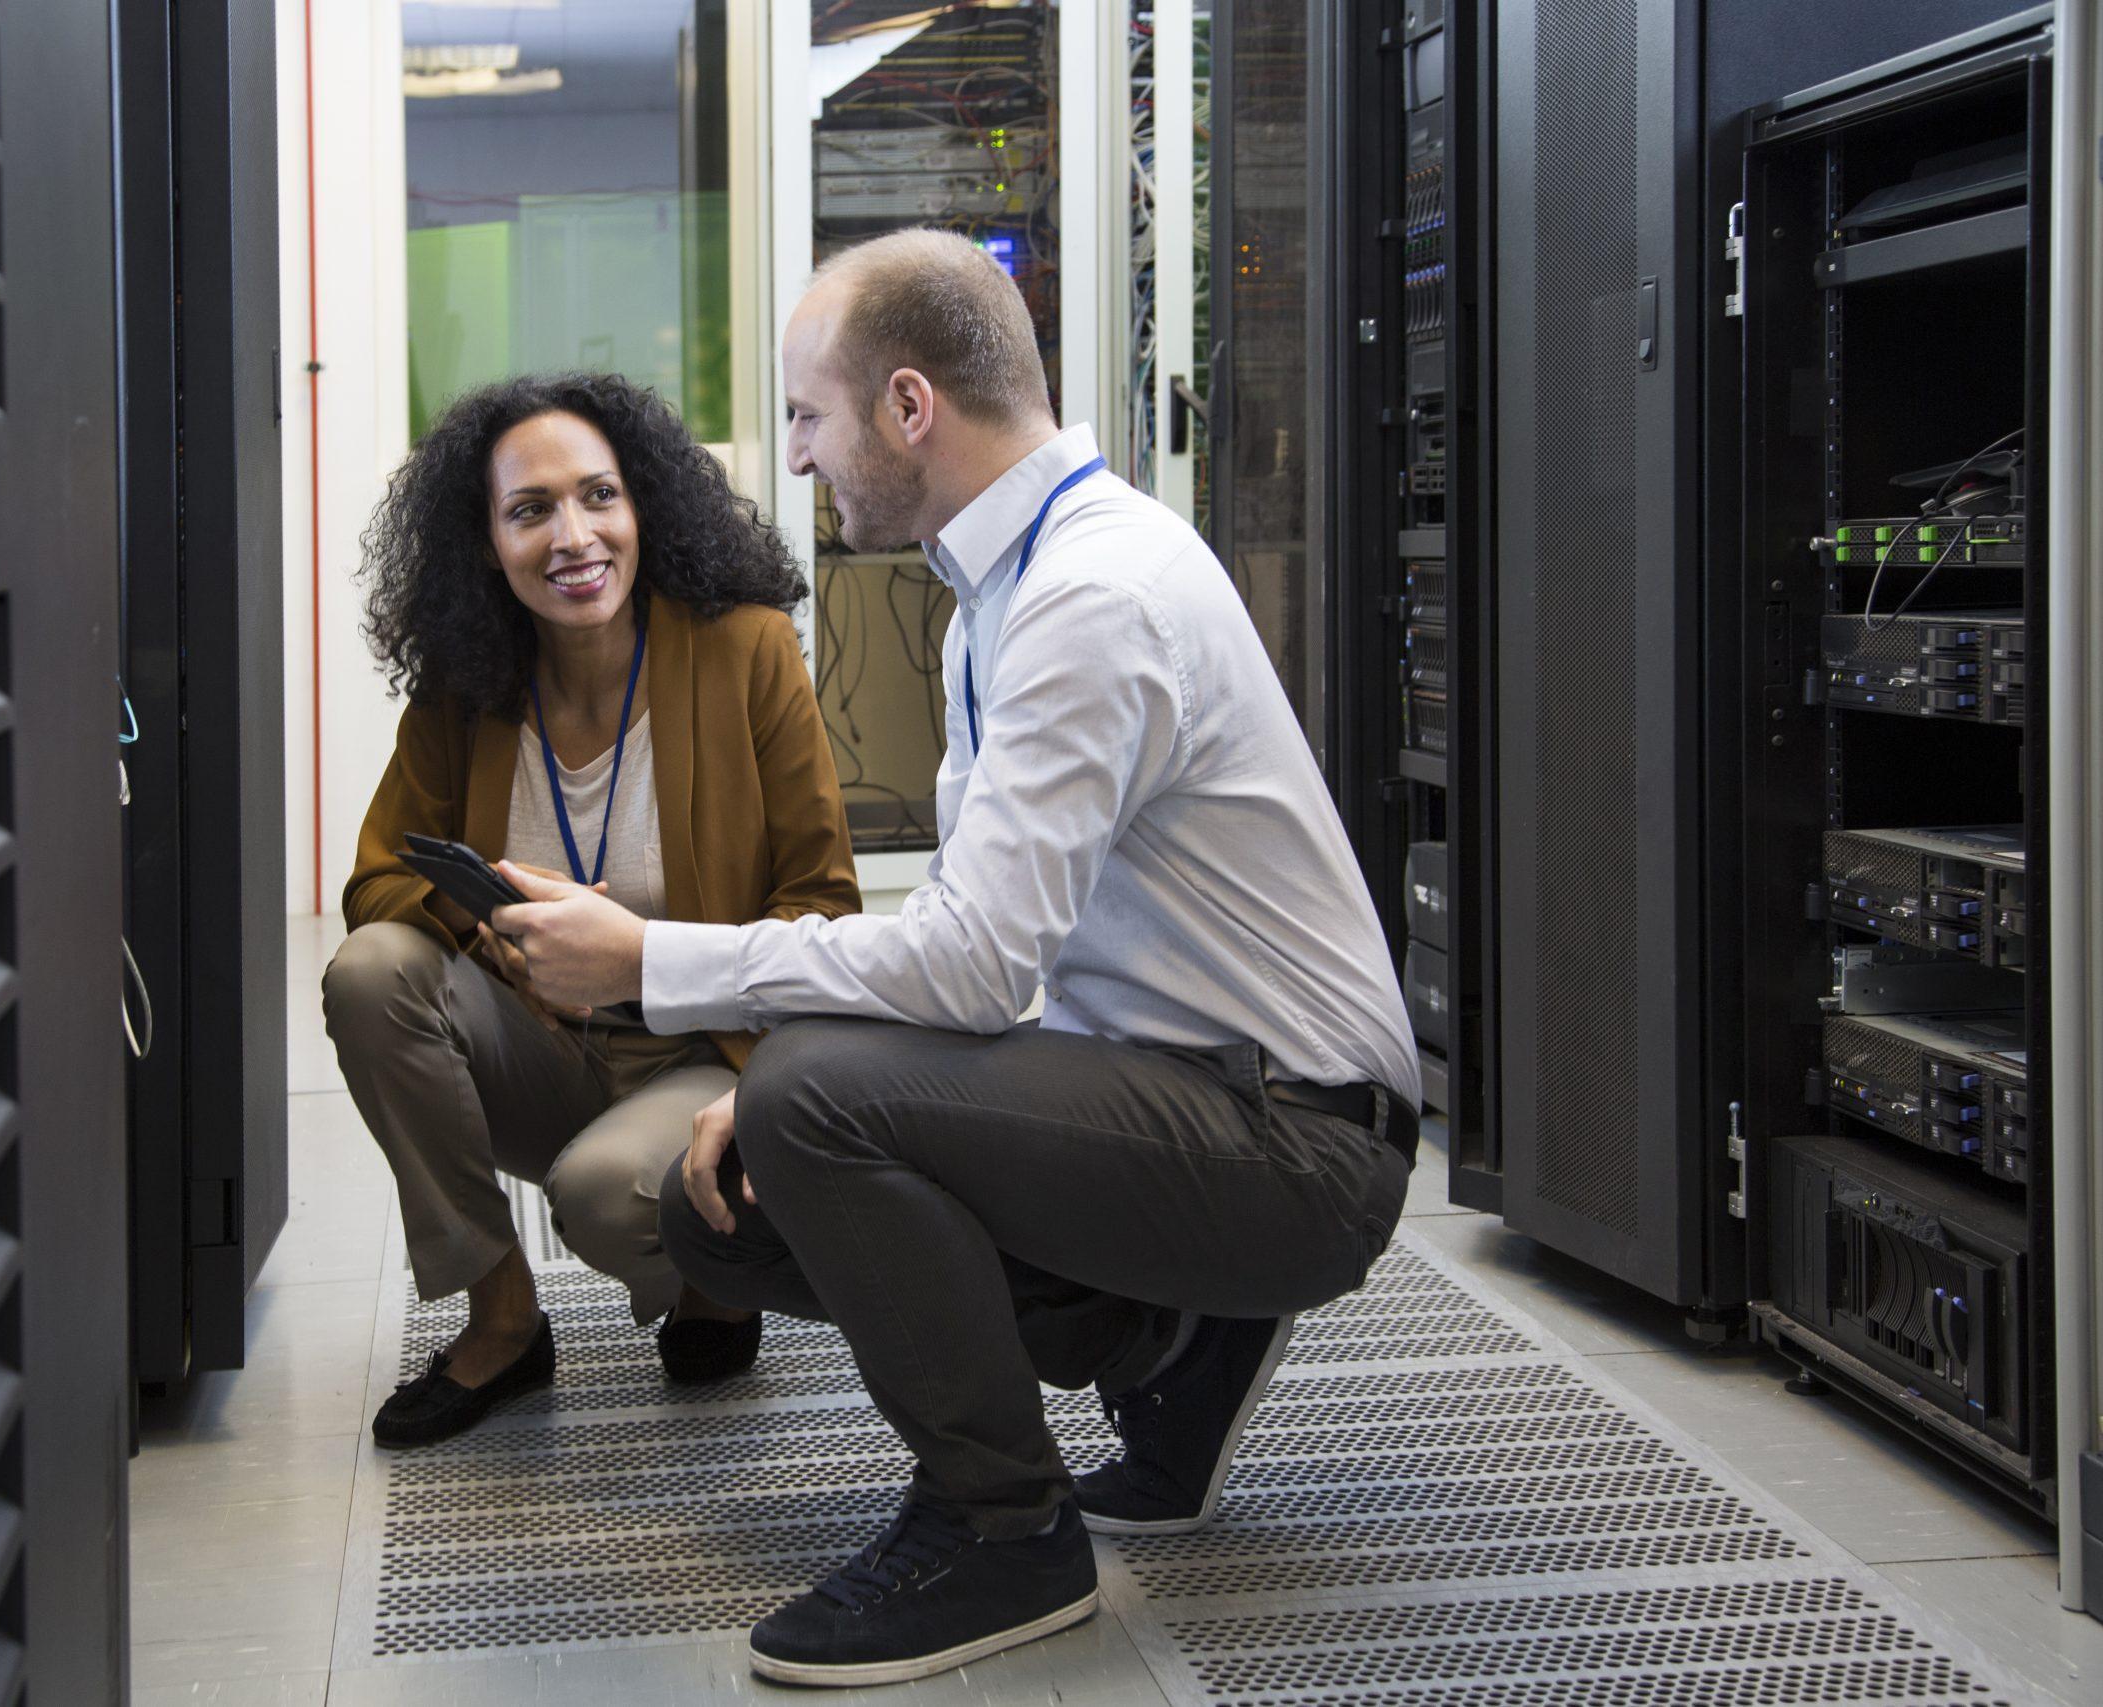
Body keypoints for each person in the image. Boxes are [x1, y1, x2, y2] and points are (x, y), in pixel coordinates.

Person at [494, 230, 1420, 1687]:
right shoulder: (1010, 584)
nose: (798, 455)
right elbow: (1017, 944)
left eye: (809, 414)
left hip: (1296, 1140)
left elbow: (979, 965)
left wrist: (653, 963)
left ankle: (1002, 1525)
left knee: (809, 1099)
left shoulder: (1086, 599)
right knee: (734, 1206)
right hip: (1188, 1089)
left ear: (909, 406)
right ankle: (1175, 1347)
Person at [323, 372, 861, 1450]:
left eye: (597, 496)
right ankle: (503, 1312)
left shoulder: (746, 649)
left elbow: (820, 902)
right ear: (486, 543)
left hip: (707, 1047)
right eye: (529, 510)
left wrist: (641, 956)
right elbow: (376, 882)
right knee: (371, 972)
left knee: (607, 1199)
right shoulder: (468, 684)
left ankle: (716, 1271)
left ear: (641, 506)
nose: (572, 536)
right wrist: (496, 934)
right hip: (546, 1044)